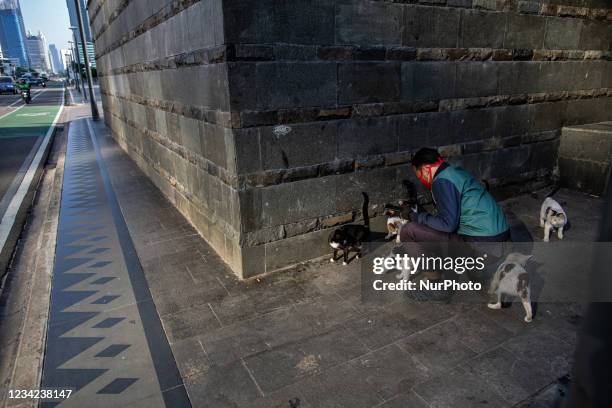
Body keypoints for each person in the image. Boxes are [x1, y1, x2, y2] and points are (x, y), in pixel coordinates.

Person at [400, 147, 510, 301]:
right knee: (432, 230)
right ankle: (472, 270)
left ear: (425, 169)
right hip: (500, 242)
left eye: (418, 175)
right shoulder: (455, 173)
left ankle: (437, 287)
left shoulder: (441, 181)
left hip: (483, 247)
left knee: (408, 231)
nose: (421, 180)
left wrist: (415, 216)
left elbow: (448, 225)